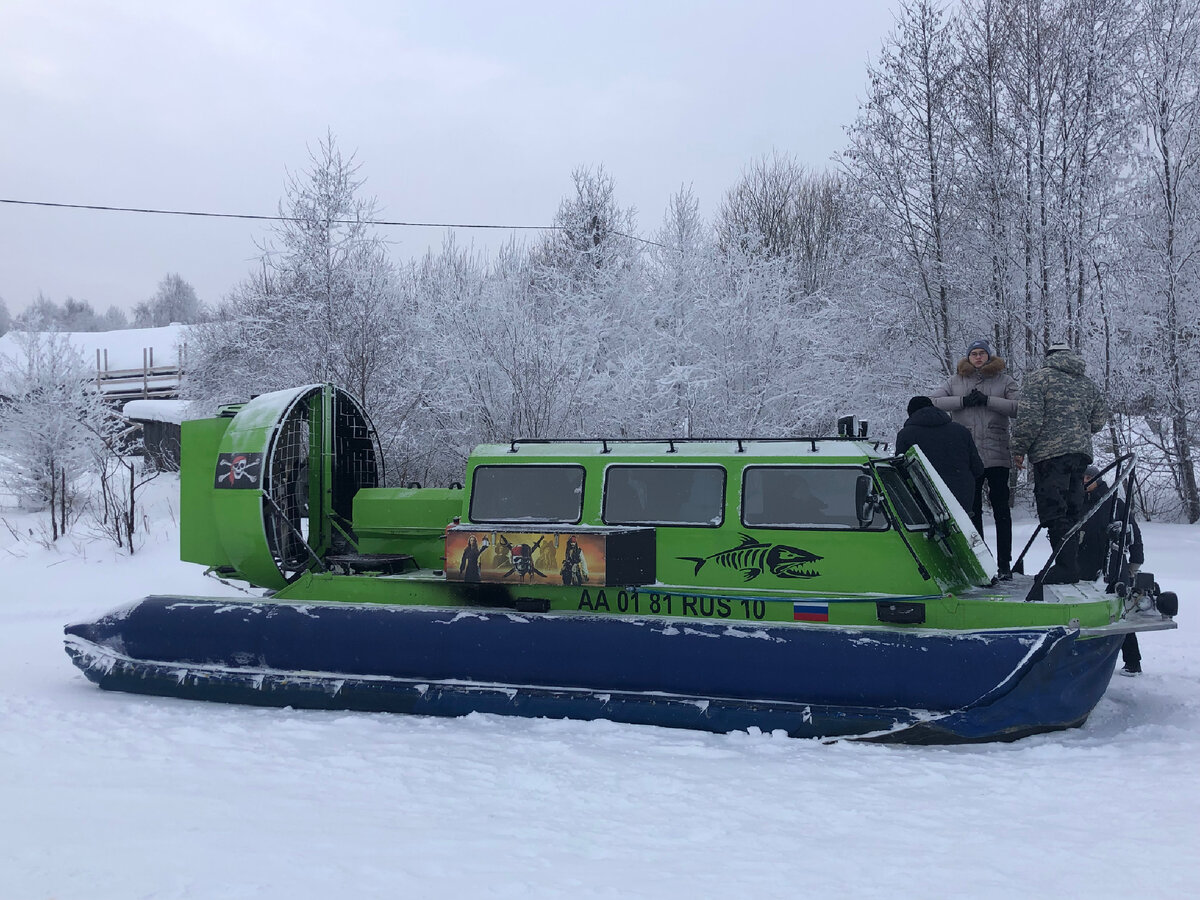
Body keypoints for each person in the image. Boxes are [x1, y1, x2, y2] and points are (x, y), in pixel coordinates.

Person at [1011, 342, 1108, 585]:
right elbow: (1098, 421)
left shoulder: (1039, 379)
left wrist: (1019, 448)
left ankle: (1065, 568)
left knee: (1054, 510)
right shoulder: (1087, 383)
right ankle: (1070, 564)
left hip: (1049, 455)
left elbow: (1030, 419)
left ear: (1049, 356)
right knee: (1073, 509)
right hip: (1080, 455)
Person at [929, 339, 1020, 577]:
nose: (978, 357)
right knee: (972, 511)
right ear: (968, 357)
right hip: (967, 457)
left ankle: (1004, 564)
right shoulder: (955, 381)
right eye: (974, 354)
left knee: (1002, 511)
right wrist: (962, 402)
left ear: (989, 356)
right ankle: (980, 562)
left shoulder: (1004, 380)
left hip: (997, 453)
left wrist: (989, 401)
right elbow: (933, 402)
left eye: (982, 353)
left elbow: (1020, 407)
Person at [1078, 464, 1145, 675]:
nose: (1084, 481)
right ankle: (1087, 661)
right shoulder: (1077, 503)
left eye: (1088, 477)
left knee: (1120, 613)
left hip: (1113, 563)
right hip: (1083, 563)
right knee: (1085, 612)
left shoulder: (1114, 502)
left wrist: (1135, 562)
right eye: (1082, 477)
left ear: (1097, 479)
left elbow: (1133, 531)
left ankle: (1133, 661)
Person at [895, 395, 984, 511]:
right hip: (962, 499)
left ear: (911, 413)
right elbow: (978, 469)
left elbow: (900, 473)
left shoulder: (906, 435)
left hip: (925, 500)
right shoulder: (961, 431)